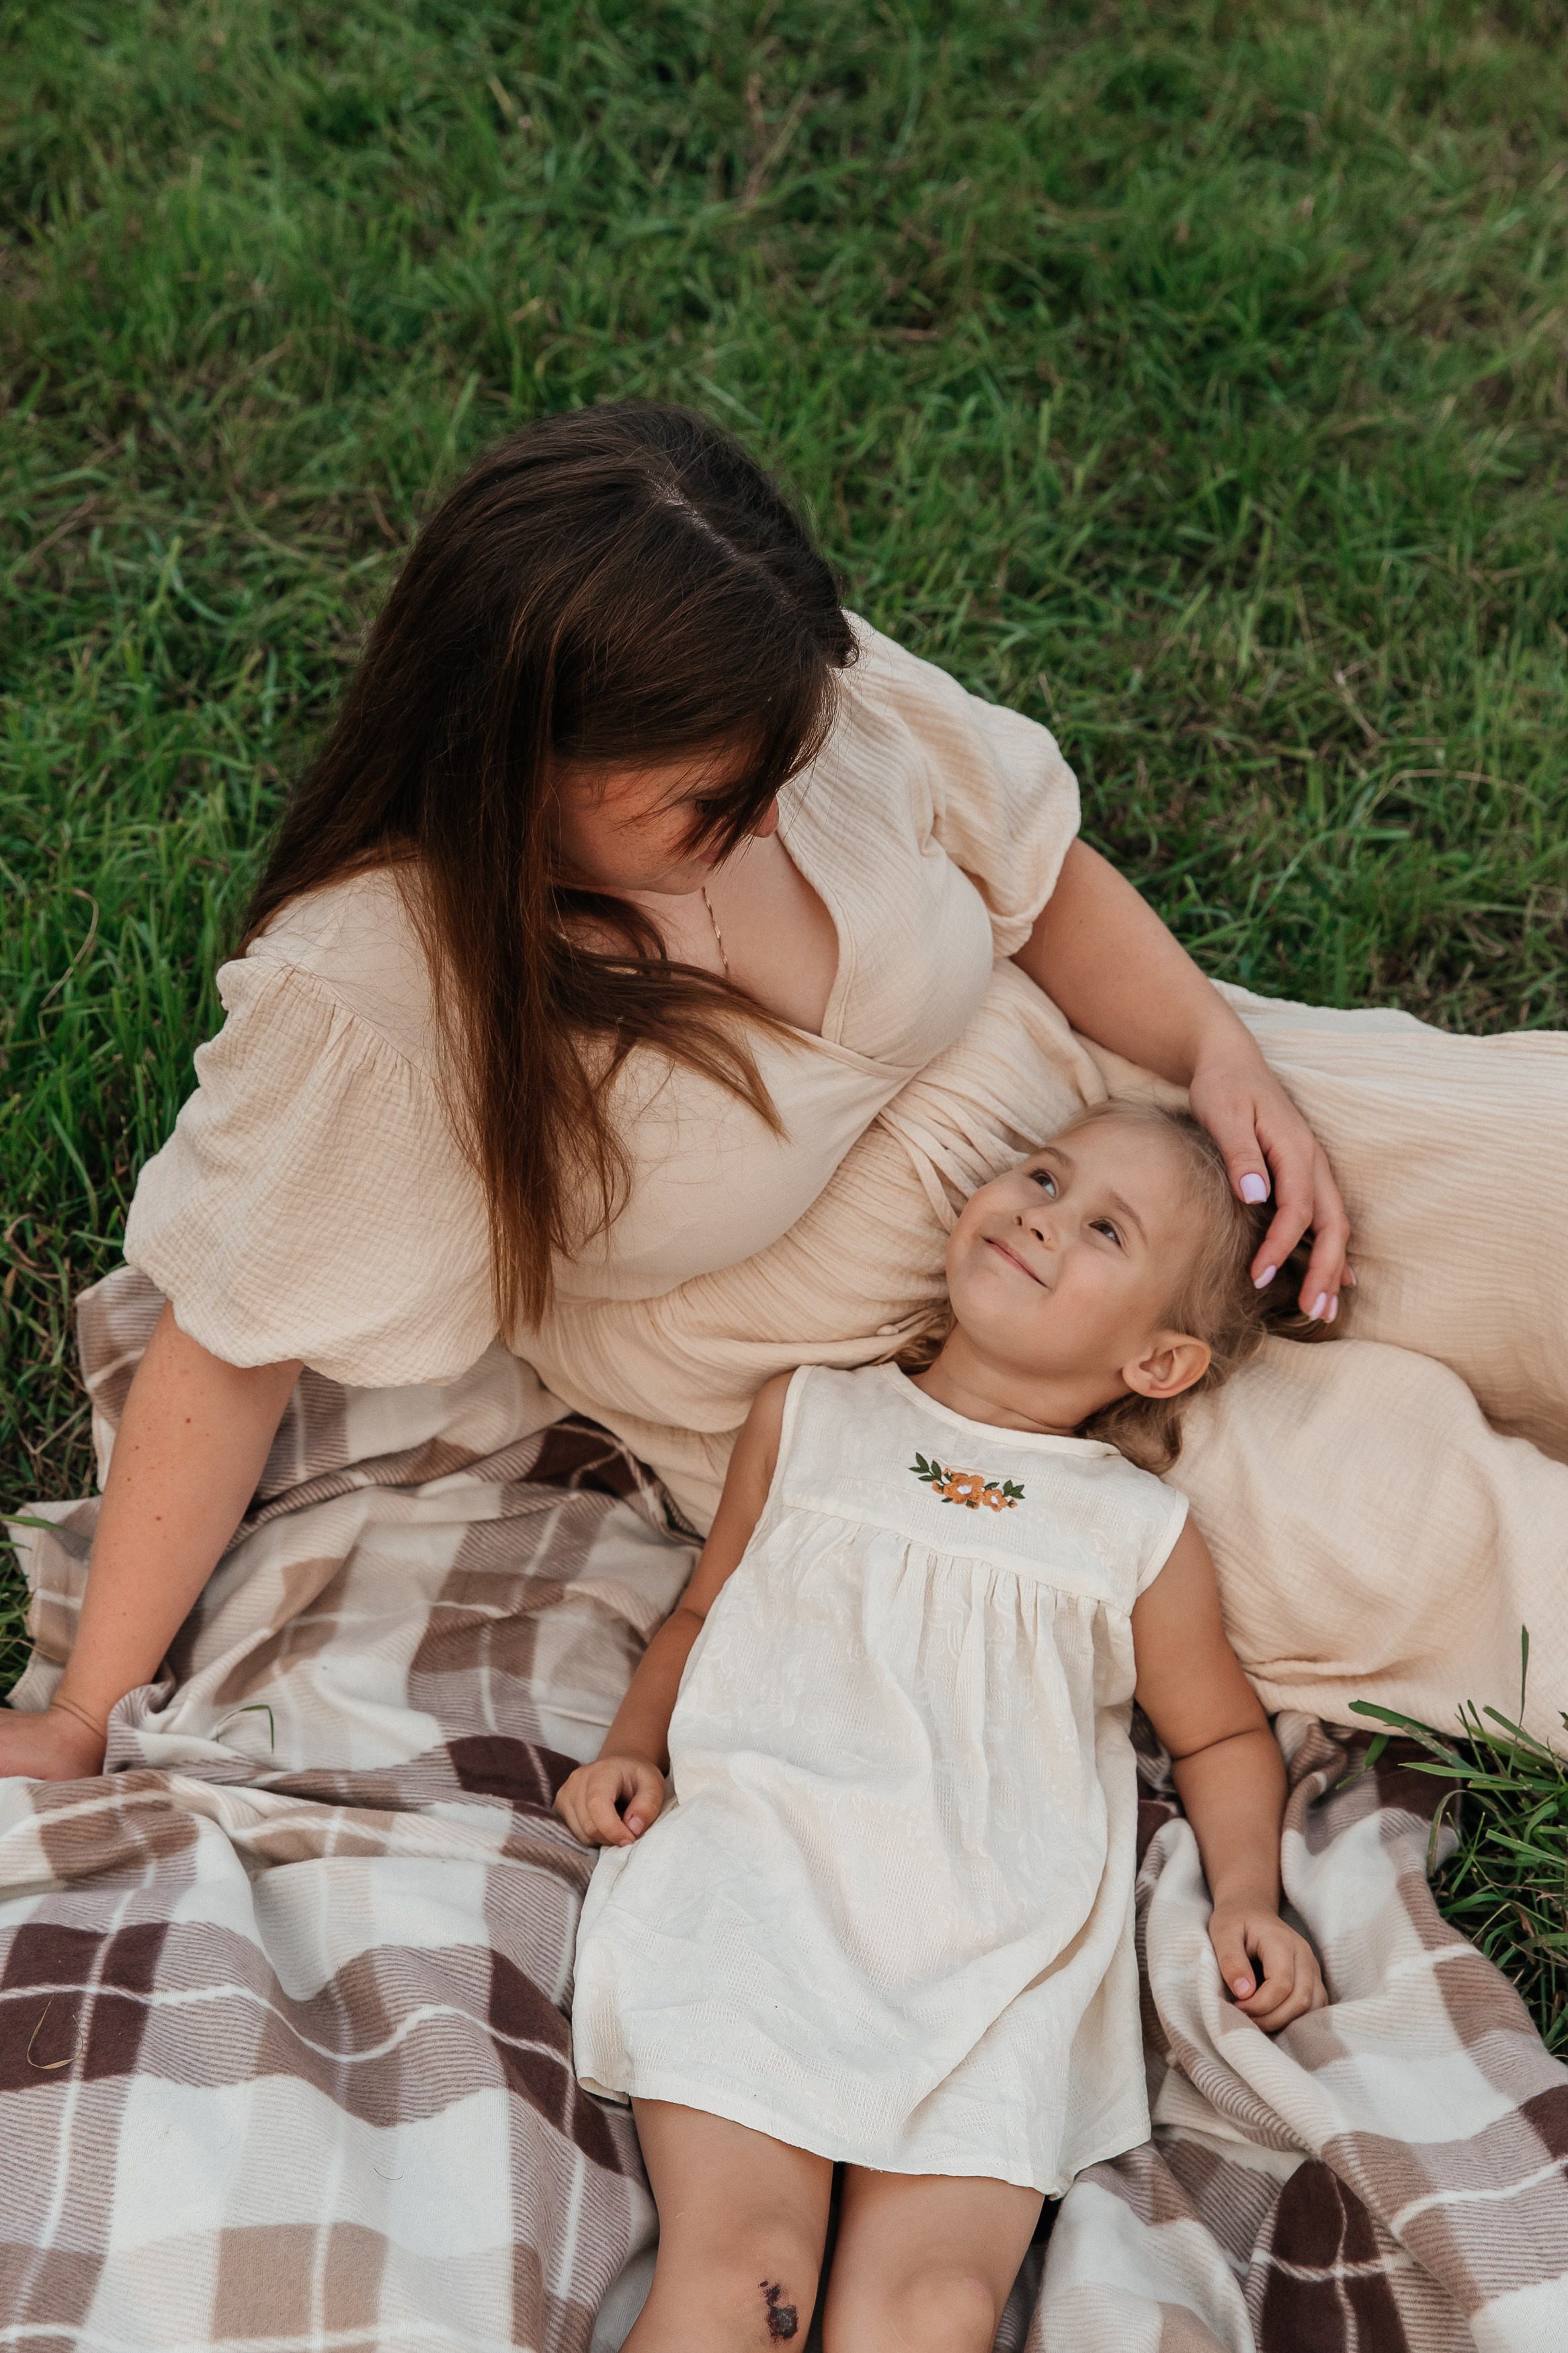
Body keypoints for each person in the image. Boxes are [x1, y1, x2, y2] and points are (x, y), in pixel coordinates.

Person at [0, 399, 1351, 1784]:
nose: (771, 812)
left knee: (1504, 1173)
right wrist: (85, 1713)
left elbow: (1027, 863)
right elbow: (229, 1341)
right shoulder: (380, 992)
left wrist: (1212, 1046)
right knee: (1371, 1515)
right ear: (520, 762)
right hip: (908, 1378)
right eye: (715, 803)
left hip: (1101, 1106)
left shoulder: (753, 691)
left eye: (784, 763)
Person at [556, 1101, 1327, 2353]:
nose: (1038, 1212)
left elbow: (1223, 1739)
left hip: (997, 1960)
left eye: (1102, 1229)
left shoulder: (1133, 1534)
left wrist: (1246, 1892)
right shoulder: (810, 1418)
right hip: (763, 1900)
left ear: (1160, 1363)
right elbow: (705, 1611)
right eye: (1040, 1172)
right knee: (749, 2287)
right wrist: (633, 1747)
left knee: (930, 2314)